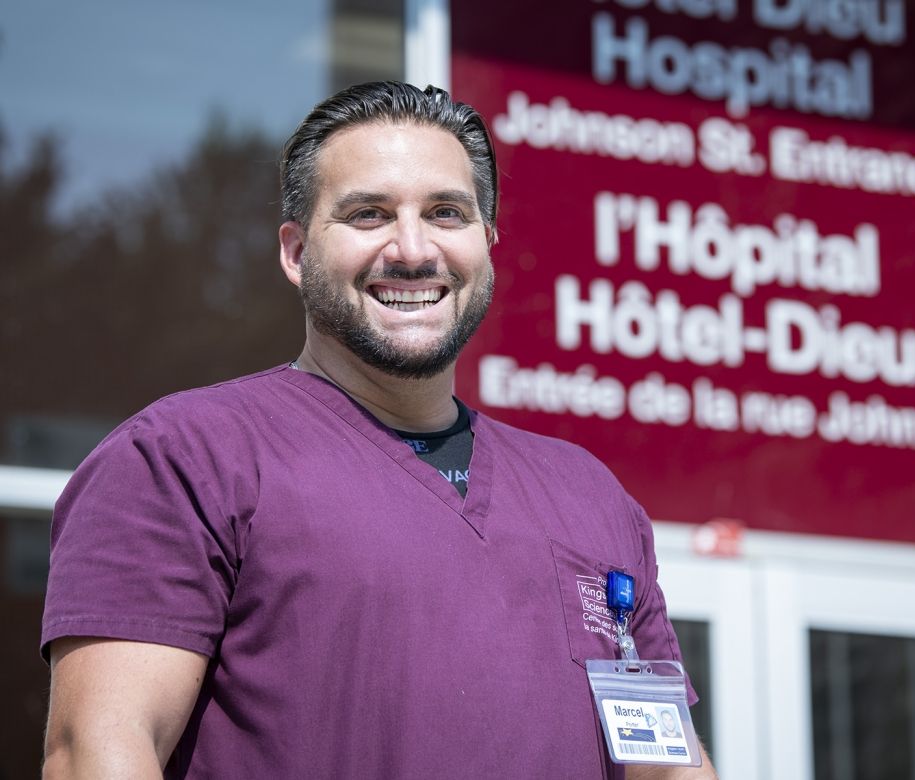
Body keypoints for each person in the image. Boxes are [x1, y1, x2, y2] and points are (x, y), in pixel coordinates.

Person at [40, 81, 717, 779]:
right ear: (297, 253)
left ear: (485, 243)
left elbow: (667, 766)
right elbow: (99, 751)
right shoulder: (185, 457)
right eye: (369, 214)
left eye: (446, 213)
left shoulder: (588, 495)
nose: (414, 249)